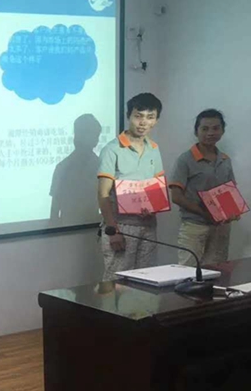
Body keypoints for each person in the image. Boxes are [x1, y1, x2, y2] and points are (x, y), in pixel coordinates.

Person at [97, 93, 165, 280]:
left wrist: (154, 208)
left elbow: (157, 189)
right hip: (121, 227)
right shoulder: (112, 149)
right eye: (138, 116)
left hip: (148, 226)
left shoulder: (154, 148)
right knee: (116, 283)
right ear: (128, 116)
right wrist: (113, 230)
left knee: (147, 281)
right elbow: (103, 194)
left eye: (150, 117)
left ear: (156, 120)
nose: (143, 122)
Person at [169, 109, 237, 265]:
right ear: (196, 132)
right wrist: (205, 213)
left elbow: (230, 192)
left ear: (222, 131)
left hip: (221, 227)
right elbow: (176, 197)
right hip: (194, 226)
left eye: (215, 128)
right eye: (205, 128)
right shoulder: (185, 159)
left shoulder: (225, 160)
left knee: (217, 271)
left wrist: (232, 211)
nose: (210, 133)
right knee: (187, 272)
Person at [50, 114, 102, 225]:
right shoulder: (62, 167)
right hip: (68, 230)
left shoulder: (101, 166)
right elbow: (54, 209)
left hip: (94, 227)